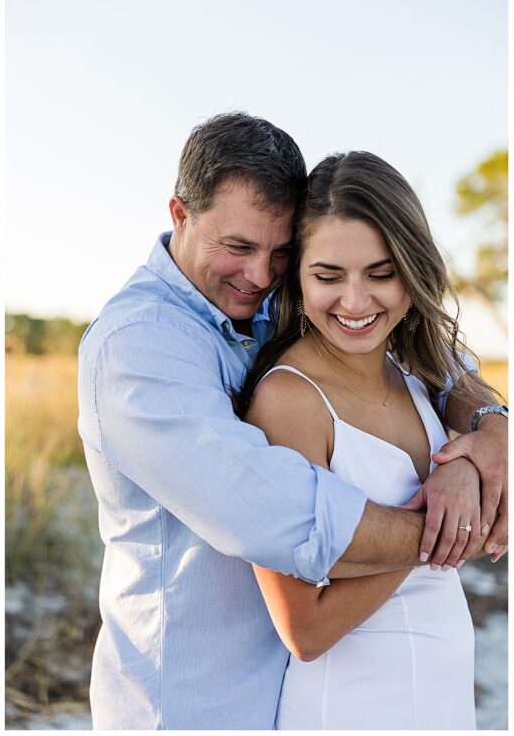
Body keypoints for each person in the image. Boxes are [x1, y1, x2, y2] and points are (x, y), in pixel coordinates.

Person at [77, 113, 507, 729]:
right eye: (238, 247)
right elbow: (273, 509)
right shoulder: (140, 346)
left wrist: (492, 428)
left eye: (281, 253)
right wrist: (455, 522)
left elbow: (436, 358)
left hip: (287, 697)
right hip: (191, 706)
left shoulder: (274, 300)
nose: (258, 274)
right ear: (179, 214)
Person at [238, 151, 498, 728]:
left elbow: (477, 413)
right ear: (298, 276)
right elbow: (303, 628)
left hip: (444, 702)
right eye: (328, 277)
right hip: (352, 708)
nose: (355, 303)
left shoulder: (417, 371)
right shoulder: (290, 401)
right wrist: (441, 525)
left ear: (414, 270)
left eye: (381, 274)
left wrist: (466, 466)